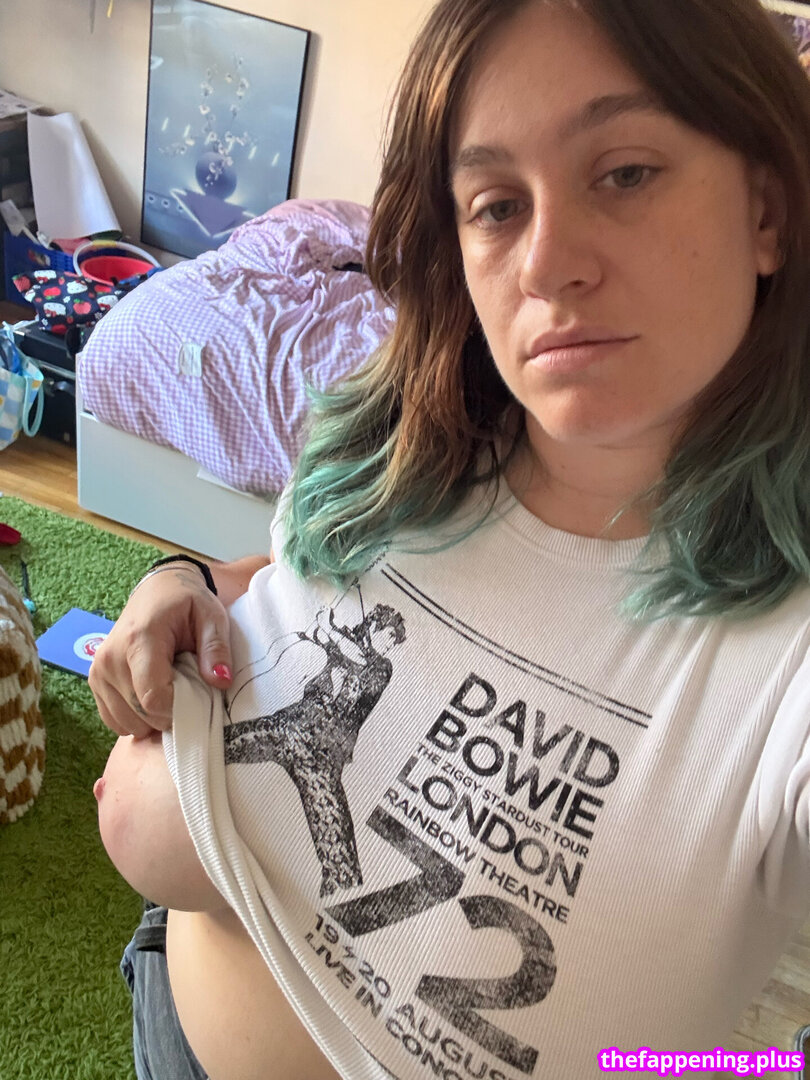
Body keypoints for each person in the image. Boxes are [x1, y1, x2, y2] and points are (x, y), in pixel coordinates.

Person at [89, 0, 810, 1077]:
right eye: (497, 205)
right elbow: (285, 582)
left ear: (768, 210)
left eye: (625, 173)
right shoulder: (401, 446)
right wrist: (180, 577)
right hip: (171, 994)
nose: (547, 264)